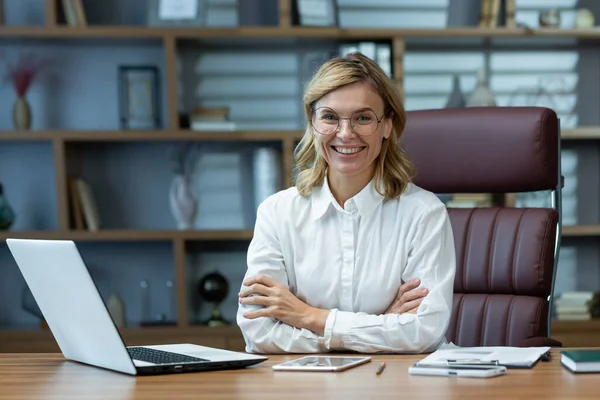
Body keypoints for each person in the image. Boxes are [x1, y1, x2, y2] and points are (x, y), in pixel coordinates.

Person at [236, 52, 456, 354]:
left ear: (387, 125)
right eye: (329, 117)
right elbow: (257, 331)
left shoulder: (424, 213)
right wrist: (380, 326)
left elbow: (424, 331)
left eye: (363, 118)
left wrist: (308, 317)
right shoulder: (276, 213)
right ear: (313, 123)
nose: (345, 133)